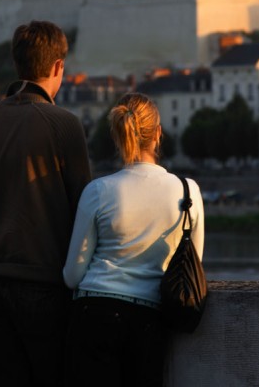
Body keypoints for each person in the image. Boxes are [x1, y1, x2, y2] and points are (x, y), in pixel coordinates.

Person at [0, 20, 92, 387]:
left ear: (16, 63)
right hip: (44, 287)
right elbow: (83, 211)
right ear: (57, 67)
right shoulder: (64, 124)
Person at [63, 92, 204, 387]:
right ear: (159, 134)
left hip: (94, 315)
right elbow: (193, 267)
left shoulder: (98, 190)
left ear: (118, 136)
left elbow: (72, 276)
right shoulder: (188, 193)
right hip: (149, 321)